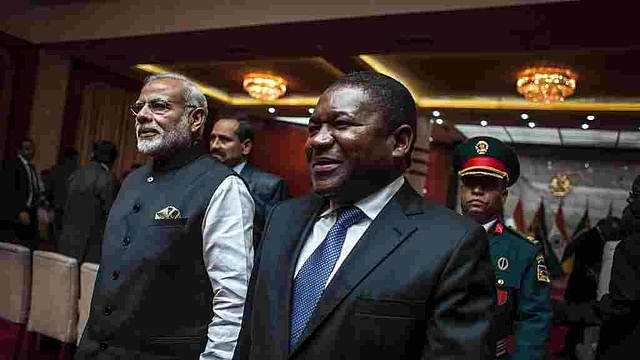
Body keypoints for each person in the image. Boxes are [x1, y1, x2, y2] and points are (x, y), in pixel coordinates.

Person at [233, 71, 496, 360]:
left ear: (400, 142)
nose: (316, 141)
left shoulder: (452, 244)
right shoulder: (282, 218)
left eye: (341, 124)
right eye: (312, 128)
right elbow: (250, 336)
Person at [75, 73, 254, 360]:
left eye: (159, 106)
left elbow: (234, 299)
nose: (142, 116)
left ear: (195, 119)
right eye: (139, 107)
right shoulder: (131, 180)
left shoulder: (223, 186)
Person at [453, 136, 551, 360]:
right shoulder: (433, 237)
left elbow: (534, 319)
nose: (477, 190)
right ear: (461, 190)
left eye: (487, 184)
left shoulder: (523, 251)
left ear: (504, 195)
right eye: (470, 183)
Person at [553, 175, 640, 360]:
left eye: (633, 197)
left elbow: (620, 307)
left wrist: (562, 312)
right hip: (581, 286)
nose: (628, 205)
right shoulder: (591, 238)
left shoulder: (631, 247)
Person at [210, 116, 289, 246]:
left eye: (224, 139)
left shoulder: (270, 186)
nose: (214, 145)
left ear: (245, 147)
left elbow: (274, 237)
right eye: (213, 138)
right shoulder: (204, 180)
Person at [57, 140, 120, 264]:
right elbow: (111, 216)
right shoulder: (108, 179)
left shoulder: (76, 173)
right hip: (89, 248)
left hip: (66, 241)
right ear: (112, 160)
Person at [0, 138, 47, 250]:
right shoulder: (11, 164)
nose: (30, 151)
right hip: (16, 214)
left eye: (32, 149)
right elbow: (8, 191)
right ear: (19, 150)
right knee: (13, 249)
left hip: (31, 211)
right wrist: (20, 210)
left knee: (28, 248)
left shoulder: (32, 167)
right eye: (27, 149)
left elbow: (34, 189)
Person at [45, 147, 80, 244]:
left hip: (56, 211)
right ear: (73, 158)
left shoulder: (55, 170)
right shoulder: (78, 173)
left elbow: (48, 192)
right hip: (71, 213)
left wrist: (49, 208)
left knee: (54, 240)